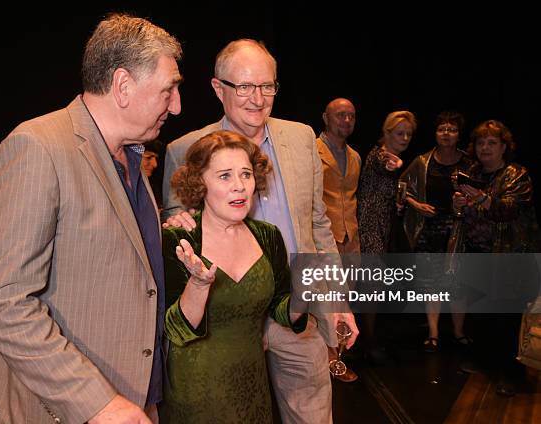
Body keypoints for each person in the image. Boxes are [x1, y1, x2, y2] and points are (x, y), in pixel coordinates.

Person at [0, 13, 182, 424]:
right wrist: (97, 403)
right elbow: (5, 302)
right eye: (169, 90)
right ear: (123, 86)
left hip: (136, 401)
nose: (177, 106)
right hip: (65, 409)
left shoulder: (133, 158)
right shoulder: (36, 148)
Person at [162, 39, 358, 424]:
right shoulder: (184, 150)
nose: (258, 98)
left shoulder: (302, 139)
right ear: (219, 89)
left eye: (267, 86)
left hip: (297, 312)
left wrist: (337, 298)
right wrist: (176, 223)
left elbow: (318, 226)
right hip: (225, 323)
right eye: (245, 86)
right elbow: (177, 239)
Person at [162, 130, 307, 423]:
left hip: (252, 386)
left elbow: (281, 309)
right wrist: (199, 284)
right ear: (200, 183)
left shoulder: (268, 236)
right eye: (225, 176)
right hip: (197, 392)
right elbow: (176, 329)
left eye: (246, 174)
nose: (240, 186)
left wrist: (306, 296)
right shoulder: (181, 239)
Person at [451, 120, 539, 396]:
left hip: (509, 257)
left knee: (507, 316)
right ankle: (487, 363)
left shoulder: (517, 175)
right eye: (480, 142)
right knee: (482, 313)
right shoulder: (472, 172)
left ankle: (513, 375)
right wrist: (458, 206)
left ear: (504, 147)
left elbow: (508, 210)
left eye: (492, 142)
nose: (485, 147)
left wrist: (482, 199)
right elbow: (464, 214)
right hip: (478, 253)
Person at [400, 111, 473, 353]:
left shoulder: (469, 163)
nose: (446, 133)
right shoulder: (422, 161)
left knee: (458, 283)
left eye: (452, 129)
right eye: (442, 129)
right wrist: (417, 205)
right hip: (429, 230)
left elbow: (482, 194)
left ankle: (459, 332)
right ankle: (433, 333)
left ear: (459, 134)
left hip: (459, 230)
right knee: (431, 284)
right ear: (435, 133)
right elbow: (401, 188)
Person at [357, 110, 416, 363]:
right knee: (371, 285)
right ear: (386, 133)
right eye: (399, 133)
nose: (404, 138)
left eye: (408, 134)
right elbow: (385, 163)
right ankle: (367, 343)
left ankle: (368, 338)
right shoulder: (379, 155)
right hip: (370, 227)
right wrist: (396, 164)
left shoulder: (391, 154)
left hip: (383, 227)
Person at [317, 97, 361, 383]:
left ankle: (338, 359)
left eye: (351, 116)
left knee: (344, 300)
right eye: (340, 115)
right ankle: (328, 360)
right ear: (326, 117)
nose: (346, 120)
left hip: (350, 237)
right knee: (326, 301)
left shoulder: (355, 156)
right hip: (323, 236)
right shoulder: (312, 150)